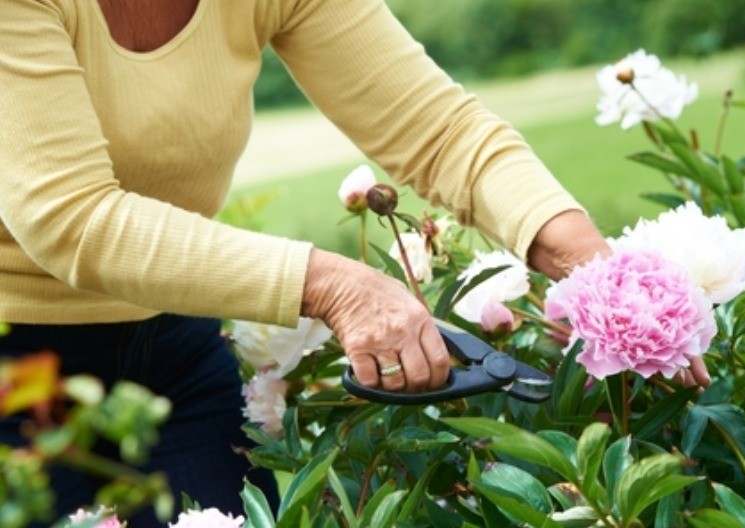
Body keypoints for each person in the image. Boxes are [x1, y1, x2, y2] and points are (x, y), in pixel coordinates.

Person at [0, 0, 690, 525]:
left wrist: (601, 279)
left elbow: (438, 130)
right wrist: (335, 285)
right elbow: (71, 217)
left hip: (170, 349)